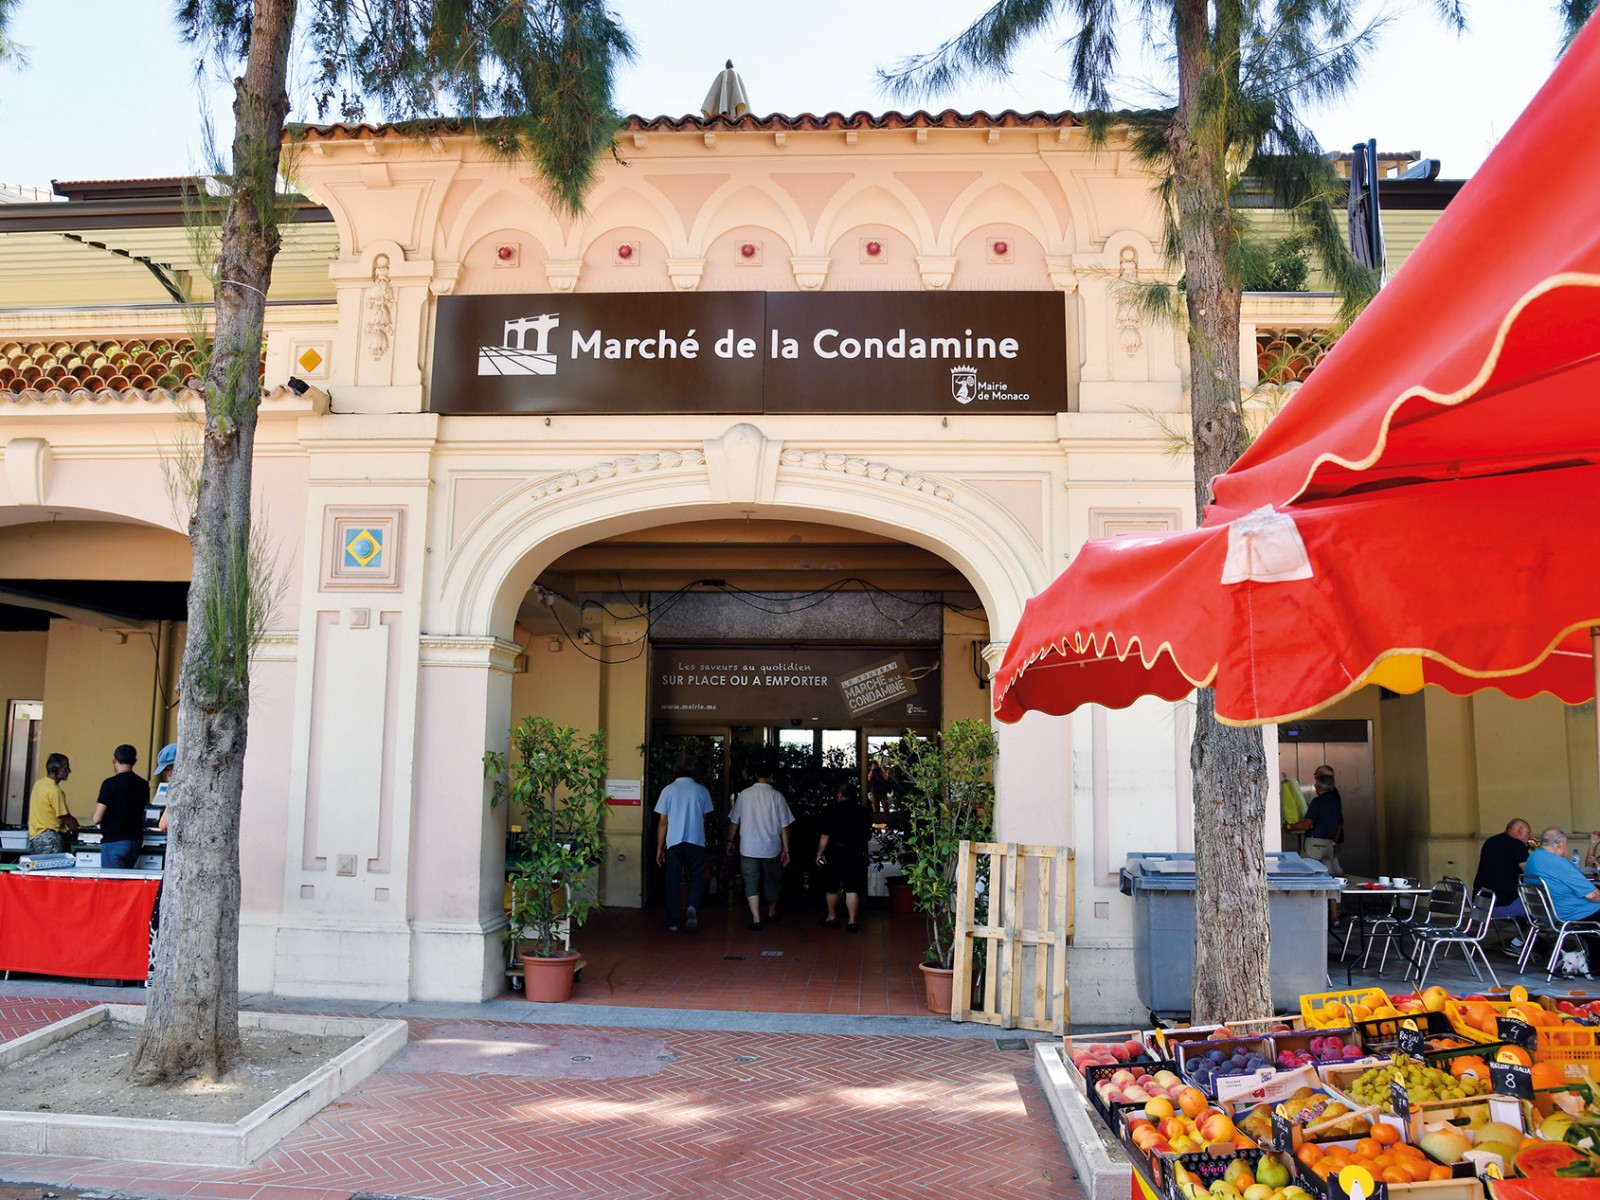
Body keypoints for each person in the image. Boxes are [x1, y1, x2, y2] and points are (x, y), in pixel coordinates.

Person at [726, 759, 794, 931]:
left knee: (751, 883)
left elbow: (734, 821)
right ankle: (771, 913)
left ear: (755, 776)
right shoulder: (778, 797)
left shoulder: (744, 795)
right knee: (772, 881)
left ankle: (756, 919)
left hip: (748, 848)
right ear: (771, 776)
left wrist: (729, 841)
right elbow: (784, 826)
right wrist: (786, 850)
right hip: (771, 849)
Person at [654, 757, 714, 933]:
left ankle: (673, 922)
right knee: (697, 877)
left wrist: (659, 848)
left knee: (672, 881)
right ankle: (692, 906)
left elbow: (663, 821)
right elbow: (704, 819)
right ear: (692, 771)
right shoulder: (701, 790)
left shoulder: (668, 790)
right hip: (696, 841)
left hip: (674, 842)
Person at [816, 784, 871, 932]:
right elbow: (867, 834)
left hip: (834, 852)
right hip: (854, 852)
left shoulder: (831, 810)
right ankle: (852, 921)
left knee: (832, 886)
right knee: (852, 887)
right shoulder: (863, 811)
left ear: (840, 794)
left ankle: (832, 917)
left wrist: (820, 853)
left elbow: (825, 835)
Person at [1524, 827, 1600, 925]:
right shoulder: (1559, 863)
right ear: (1561, 844)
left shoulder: (1533, 857)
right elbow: (1593, 896)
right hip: (1576, 913)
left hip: (1547, 912)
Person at [92, 743, 150, 869]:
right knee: (127, 884)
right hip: (135, 841)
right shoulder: (143, 784)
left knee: (113, 885)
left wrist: (94, 815)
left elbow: (97, 818)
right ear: (134, 761)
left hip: (114, 841)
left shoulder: (109, 784)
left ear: (114, 760)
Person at [1473, 817, 1533, 920]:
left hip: (1482, 902)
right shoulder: (1516, 845)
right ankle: (1525, 936)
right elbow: (1530, 873)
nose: (1530, 837)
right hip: (1503, 903)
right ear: (1520, 831)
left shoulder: (1490, 842)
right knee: (1543, 906)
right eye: (1528, 833)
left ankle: (1525, 936)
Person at [1289, 765, 1343, 875]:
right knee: (1328, 876)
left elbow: (1307, 825)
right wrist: (1334, 843)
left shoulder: (1317, 802)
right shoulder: (1336, 801)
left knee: (1309, 873)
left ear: (1319, 785)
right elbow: (1339, 824)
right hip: (1329, 844)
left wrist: (1289, 826)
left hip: (1314, 844)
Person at [26, 752, 77, 855]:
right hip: (50, 840)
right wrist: (81, 833)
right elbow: (67, 819)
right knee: (51, 870)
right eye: (66, 768)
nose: (69, 771)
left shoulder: (39, 784)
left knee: (40, 870)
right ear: (56, 770)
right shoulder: (54, 790)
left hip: (36, 838)